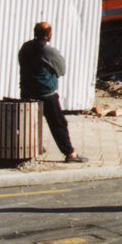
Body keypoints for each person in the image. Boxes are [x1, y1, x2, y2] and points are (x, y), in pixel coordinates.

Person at [18, 22, 86, 163]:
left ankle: (34, 147)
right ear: (49, 34)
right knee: (58, 123)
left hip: (26, 91)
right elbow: (62, 70)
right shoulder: (48, 51)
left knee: (30, 122)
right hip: (45, 93)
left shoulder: (25, 47)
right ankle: (70, 153)